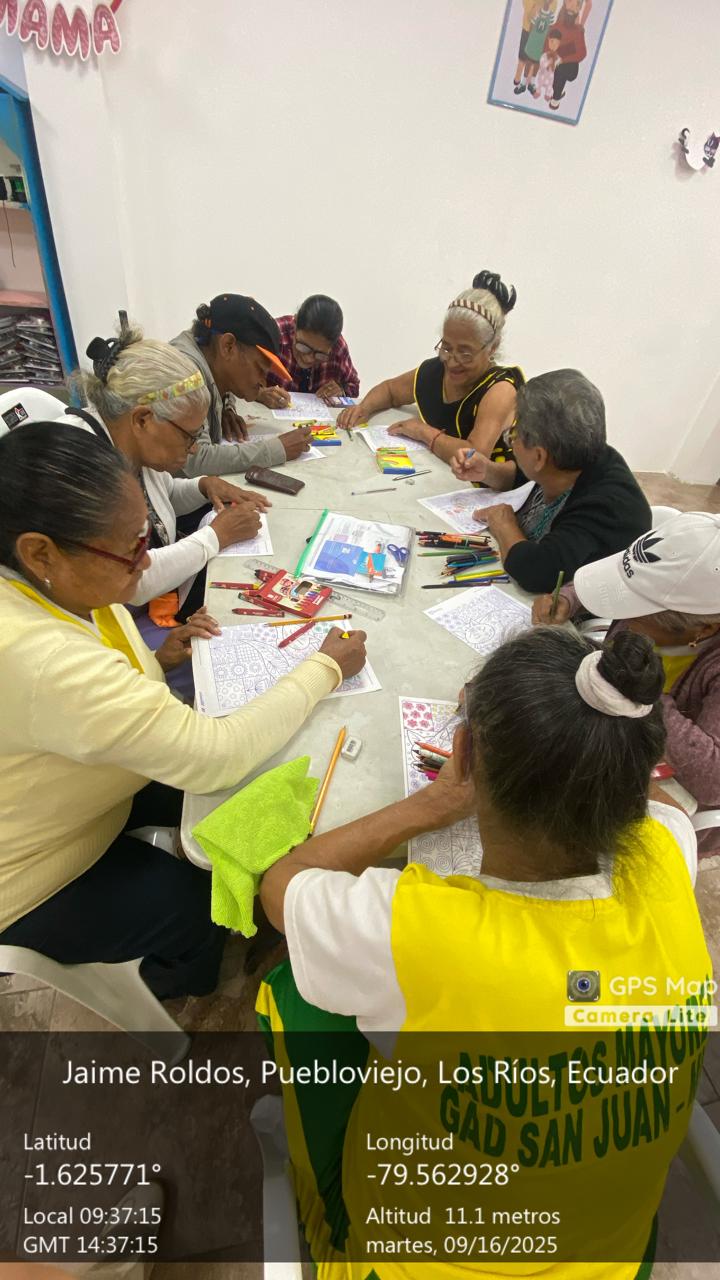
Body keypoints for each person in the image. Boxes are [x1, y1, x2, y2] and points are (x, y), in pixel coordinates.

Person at [256, 627, 710, 1279]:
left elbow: (281, 886)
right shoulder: (669, 853)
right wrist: (586, 726)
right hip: (614, 1255)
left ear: (463, 753)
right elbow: (653, 803)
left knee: (294, 992)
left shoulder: (419, 930)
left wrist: (432, 803)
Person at [0, 425, 367, 999]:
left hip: (83, 788)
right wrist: (326, 668)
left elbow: (82, 698)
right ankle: (178, 987)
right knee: (198, 906)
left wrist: (155, 657)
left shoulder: (61, 588)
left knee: (253, 792)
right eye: (130, 549)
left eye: (145, 537)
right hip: (28, 873)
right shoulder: (38, 656)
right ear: (40, 552)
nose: (145, 561)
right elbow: (215, 756)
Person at [68, 328, 270, 688]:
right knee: (222, 670)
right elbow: (132, 579)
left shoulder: (127, 439)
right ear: (143, 419)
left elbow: (161, 495)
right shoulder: (83, 468)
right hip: (98, 638)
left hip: (133, 612)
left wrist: (203, 485)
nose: (193, 448)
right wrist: (215, 536)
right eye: (188, 435)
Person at [533, 512, 720, 856]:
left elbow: (713, 780)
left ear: (704, 629)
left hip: (674, 796)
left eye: (634, 608)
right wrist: (569, 598)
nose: (621, 611)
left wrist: (646, 691)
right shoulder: (673, 579)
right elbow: (623, 578)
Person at [452, 368, 652, 593]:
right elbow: (523, 475)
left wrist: (504, 523)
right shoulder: (570, 456)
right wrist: (487, 471)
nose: (512, 442)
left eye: (514, 434)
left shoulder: (603, 508)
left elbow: (536, 572)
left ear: (539, 456)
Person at [336, 271, 523, 465]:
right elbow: (390, 391)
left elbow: (474, 456)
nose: (452, 362)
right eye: (447, 347)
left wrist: (424, 432)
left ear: (492, 347)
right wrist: (364, 408)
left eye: (465, 353)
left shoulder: (500, 389)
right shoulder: (436, 371)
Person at [171, 293, 313, 475]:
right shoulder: (186, 377)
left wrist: (225, 408)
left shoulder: (208, 352)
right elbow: (196, 460)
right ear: (228, 346)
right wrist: (278, 449)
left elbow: (221, 376)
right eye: (259, 369)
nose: (263, 382)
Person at [258, 294, 360, 410]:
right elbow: (242, 380)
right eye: (303, 347)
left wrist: (341, 390)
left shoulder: (338, 348)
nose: (308, 359)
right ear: (295, 324)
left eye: (320, 354)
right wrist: (260, 394)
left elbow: (354, 386)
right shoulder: (273, 335)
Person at [547, 0, 588, 111]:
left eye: (574, 5)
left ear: (578, 9)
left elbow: (582, 53)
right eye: (569, 3)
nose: (570, 7)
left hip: (570, 69)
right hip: (557, 65)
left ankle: (556, 98)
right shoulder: (557, 26)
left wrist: (562, 59)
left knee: (561, 69)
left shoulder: (578, 30)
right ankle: (556, 93)